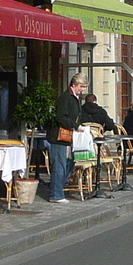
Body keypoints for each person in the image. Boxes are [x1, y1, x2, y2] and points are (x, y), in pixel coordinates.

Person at [48, 74, 86, 203]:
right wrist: (76, 126)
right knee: (60, 166)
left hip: (70, 137)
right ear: (74, 85)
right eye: (81, 86)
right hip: (60, 137)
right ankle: (56, 194)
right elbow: (61, 117)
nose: (83, 89)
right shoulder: (66, 98)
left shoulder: (74, 98)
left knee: (69, 164)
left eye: (84, 87)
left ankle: (57, 189)